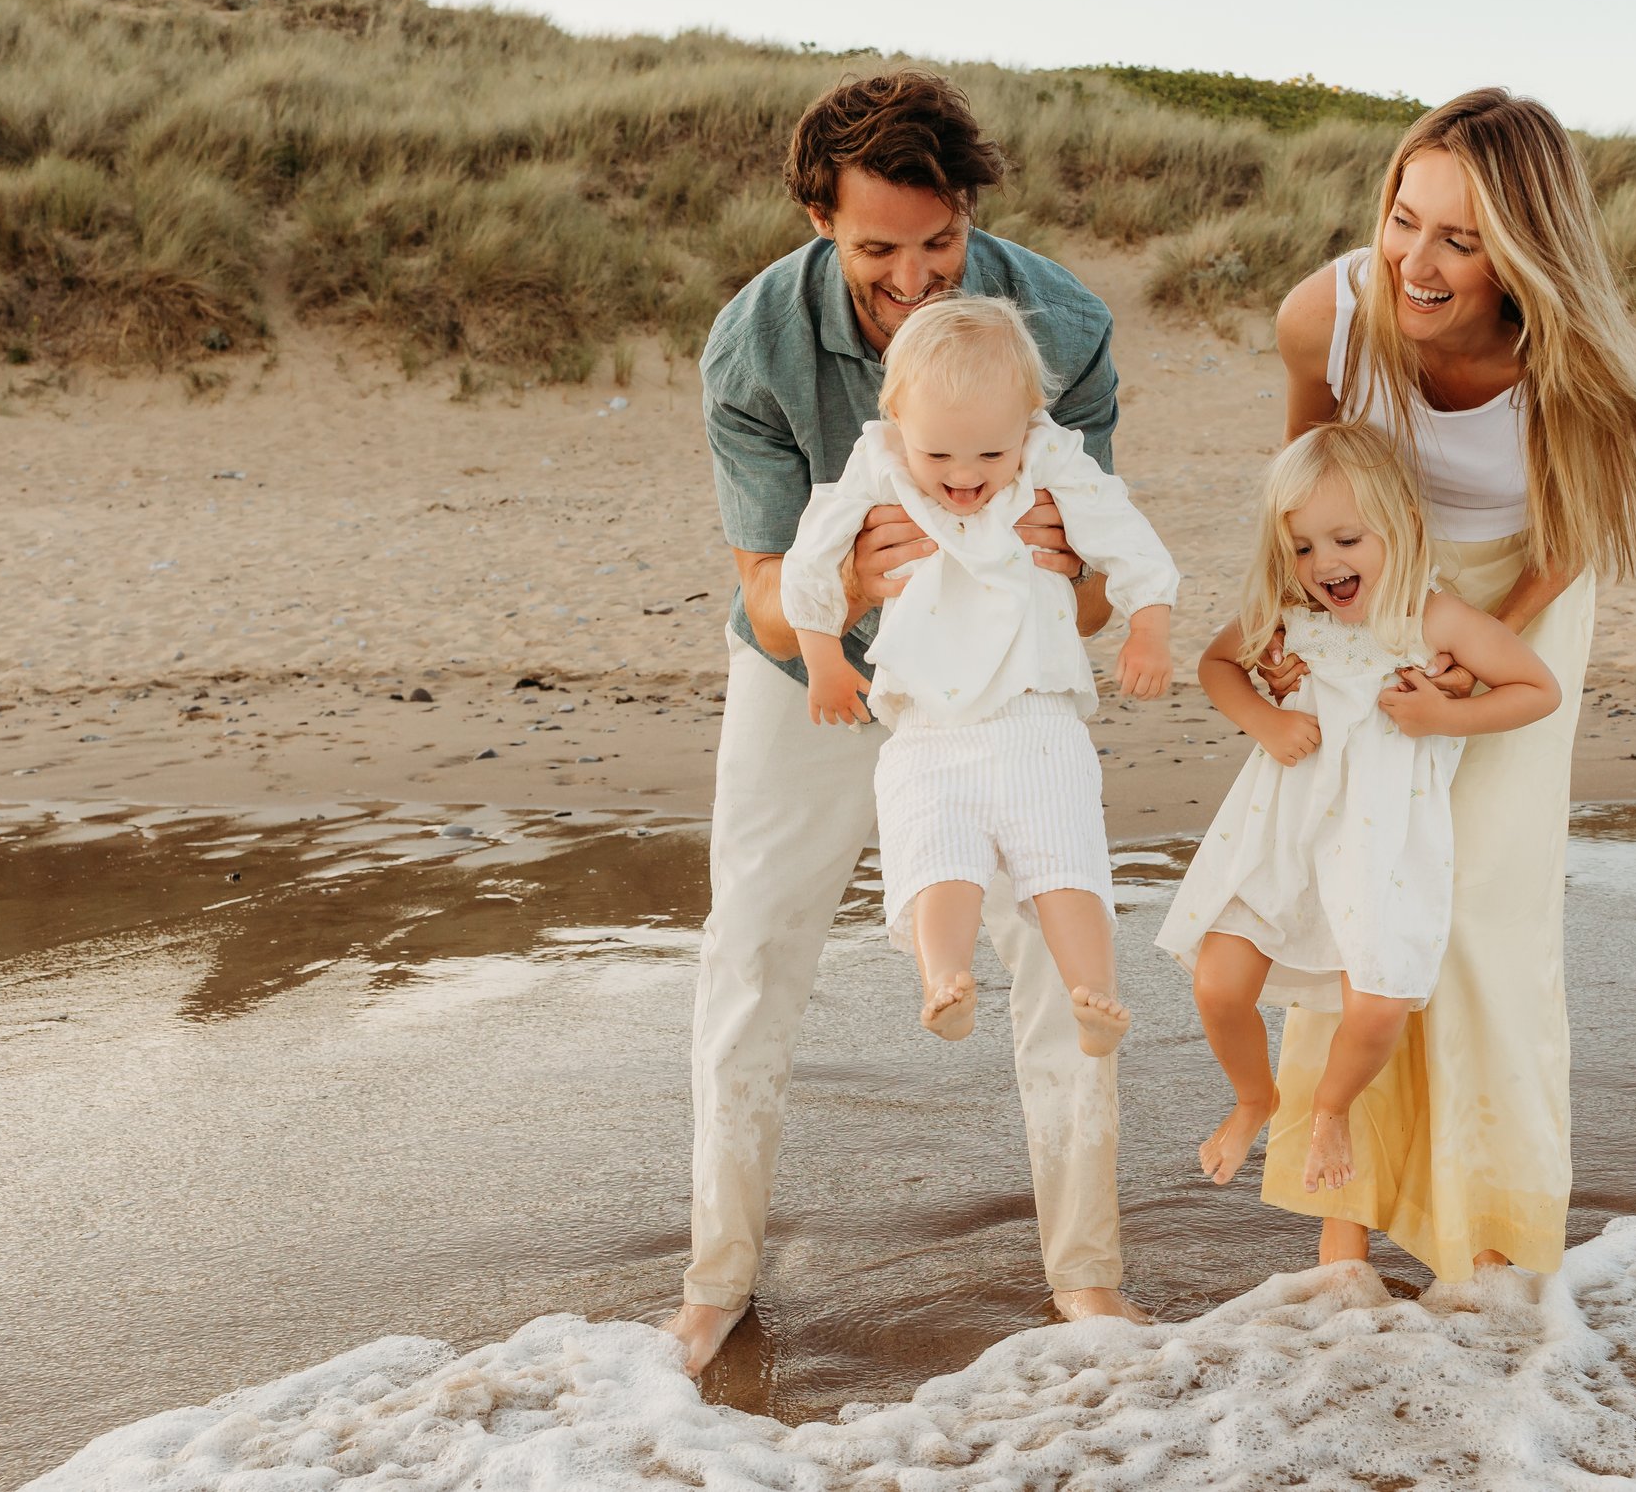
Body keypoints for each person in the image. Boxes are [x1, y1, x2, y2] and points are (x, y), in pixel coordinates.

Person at [667, 70, 1150, 1378]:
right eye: (879, 248)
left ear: (970, 211)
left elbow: (1096, 594)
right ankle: (716, 1282)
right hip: (810, 679)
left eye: (940, 243)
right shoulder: (755, 341)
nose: (918, 276)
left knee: (1065, 950)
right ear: (819, 218)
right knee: (754, 949)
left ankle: (1088, 1275)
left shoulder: (1064, 322)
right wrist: (845, 589)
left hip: (998, 681)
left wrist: (1074, 563)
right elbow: (766, 597)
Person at [1259, 88, 1636, 1285]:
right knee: (1363, 891)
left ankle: (1487, 1239)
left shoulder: (1579, 365)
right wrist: (1300, 625)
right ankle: (1342, 1233)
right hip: (1372, 589)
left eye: (1462, 237)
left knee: (1480, 913)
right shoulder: (1325, 318)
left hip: (1518, 608)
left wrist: (1481, 644)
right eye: (1404, 220)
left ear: (1525, 250)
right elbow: (1307, 482)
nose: (1418, 262)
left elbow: (1569, 536)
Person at [1158, 421, 1559, 1196]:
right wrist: (1265, 719)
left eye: (1346, 539)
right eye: (1303, 548)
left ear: (1402, 527)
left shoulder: (1434, 623)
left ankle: (1332, 1106)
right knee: (1217, 983)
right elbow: (1215, 663)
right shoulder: (1291, 617)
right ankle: (1255, 1096)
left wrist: (1448, 717)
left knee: (1377, 1007)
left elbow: (1537, 688)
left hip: (1380, 850)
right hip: (1281, 834)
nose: (1325, 564)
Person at [780, 294, 1177, 1054]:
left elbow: (1121, 529)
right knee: (933, 848)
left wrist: (1148, 622)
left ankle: (1092, 990)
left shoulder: (1048, 454)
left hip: (1037, 708)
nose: (964, 477)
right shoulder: (881, 459)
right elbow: (810, 556)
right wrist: (824, 655)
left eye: (990, 456)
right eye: (940, 457)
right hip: (928, 720)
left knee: (1066, 854)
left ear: (1026, 423)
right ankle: (945, 979)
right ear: (898, 421)